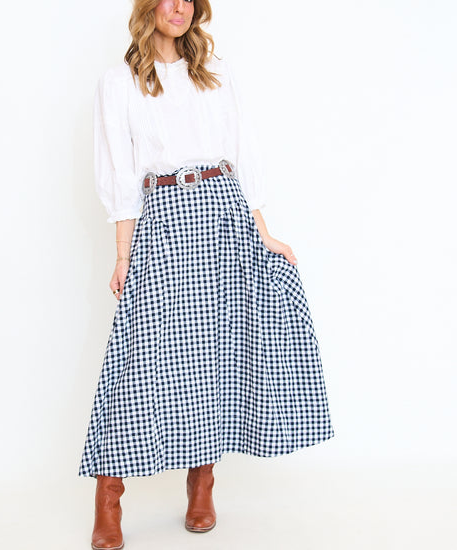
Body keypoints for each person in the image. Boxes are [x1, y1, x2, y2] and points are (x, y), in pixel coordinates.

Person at [79, 1, 335, 548]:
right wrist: (123, 255)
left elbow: (243, 151)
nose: (180, 7)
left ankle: (202, 484)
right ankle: (108, 499)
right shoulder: (118, 82)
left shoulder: (215, 72)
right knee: (138, 360)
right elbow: (120, 172)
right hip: (163, 217)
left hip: (224, 215)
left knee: (215, 355)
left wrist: (263, 231)